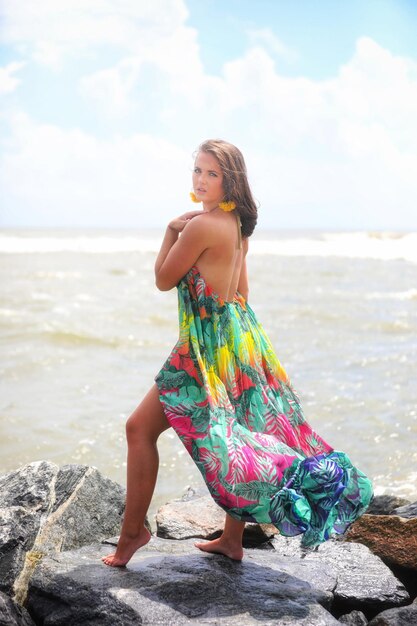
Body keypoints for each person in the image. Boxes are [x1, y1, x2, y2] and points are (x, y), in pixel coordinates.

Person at [102, 139, 373, 567]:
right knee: (243, 431)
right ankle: (232, 540)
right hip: (238, 338)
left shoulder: (198, 226)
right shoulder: (236, 225)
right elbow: (242, 291)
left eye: (212, 173)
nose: (201, 180)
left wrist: (171, 231)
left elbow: (162, 279)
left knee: (139, 429)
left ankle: (133, 533)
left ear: (231, 180)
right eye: (197, 171)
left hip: (206, 345)